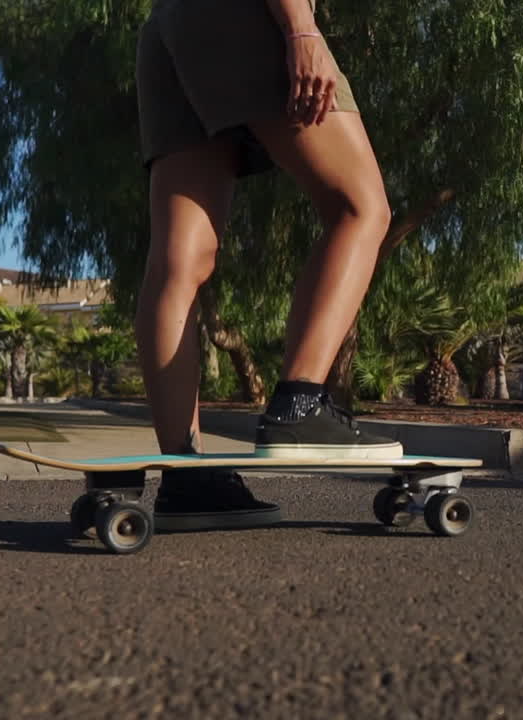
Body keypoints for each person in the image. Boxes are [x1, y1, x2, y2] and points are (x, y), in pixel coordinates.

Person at [133, 0, 402, 532]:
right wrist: (302, 30)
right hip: (247, 17)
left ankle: (186, 477)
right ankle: (300, 405)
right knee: (363, 208)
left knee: (179, 262)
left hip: (172, 26)